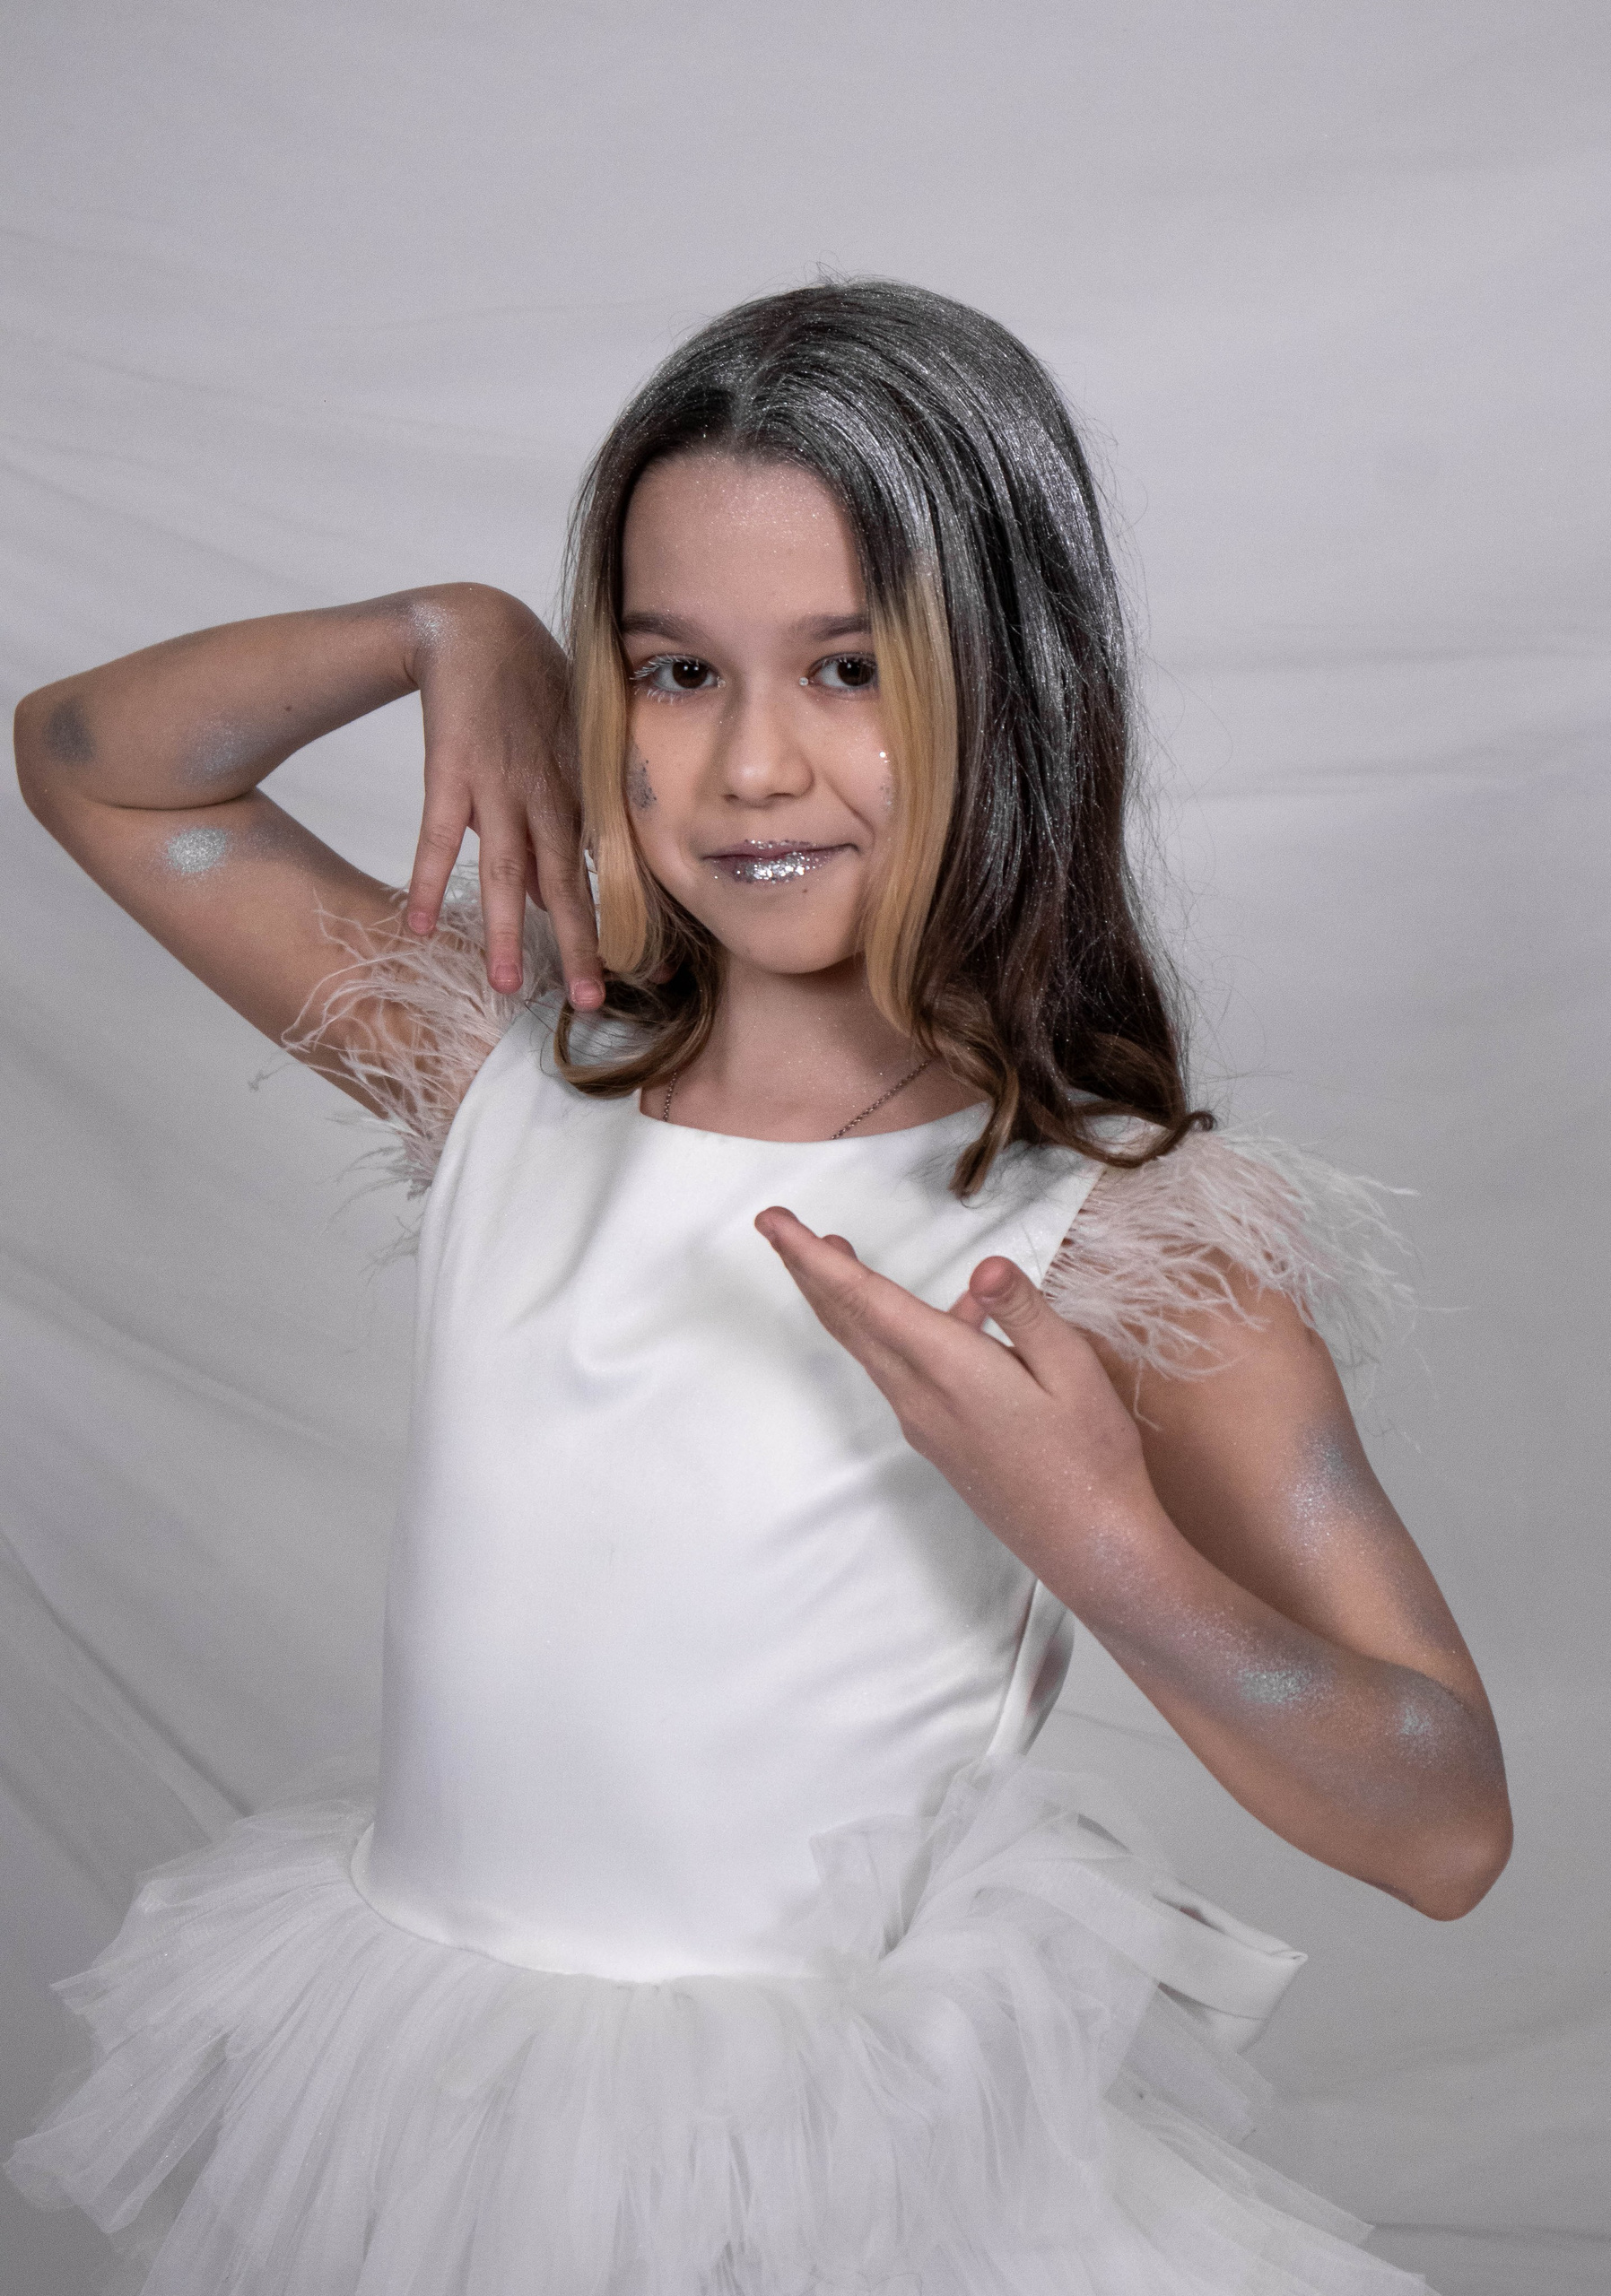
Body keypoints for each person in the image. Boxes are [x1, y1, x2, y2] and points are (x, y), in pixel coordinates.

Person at [5, 280, 1509, 2295]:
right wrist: (443, 628)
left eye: (847, 667)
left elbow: (1444, 1826)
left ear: (1014, 690)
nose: (749, 767)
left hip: (834, 2178)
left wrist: (1097, 1535)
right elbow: (98, 764)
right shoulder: (500, 1082)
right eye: (678, 670)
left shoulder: (1119, 1239)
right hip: (436, 2110)